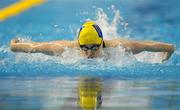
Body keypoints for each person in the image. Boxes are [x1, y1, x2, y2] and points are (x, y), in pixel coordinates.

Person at [10, 21, 175, 62]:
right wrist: (14, 45)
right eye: (85, 48)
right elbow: (33, 48)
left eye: (94, 48)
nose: (89, 54)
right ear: (78, 44)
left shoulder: (120, 47)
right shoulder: (63, 49)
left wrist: (165, 57)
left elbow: (161, 46)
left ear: (102, 43)